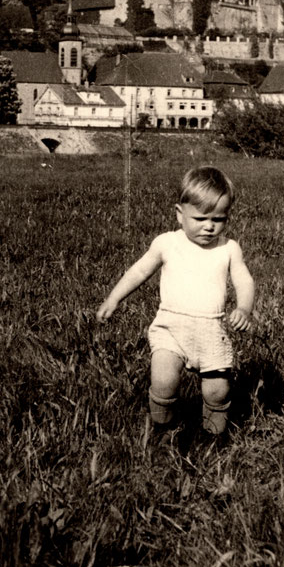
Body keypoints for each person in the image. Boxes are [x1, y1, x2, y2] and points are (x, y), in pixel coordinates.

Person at [97, 166, 255, 435]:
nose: (210, 226)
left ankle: (214, 439)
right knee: (163, 380)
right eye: (201, 218)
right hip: (170, 327)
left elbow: (244, 280)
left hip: (211, 331)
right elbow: (138, 271)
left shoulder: (228, 248)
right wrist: (114, 298)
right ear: (180, 215)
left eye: (220, 218)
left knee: (218, 390)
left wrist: (244, 308)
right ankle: (163, 429)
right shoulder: (167, 243)